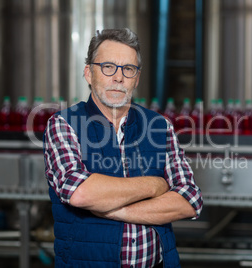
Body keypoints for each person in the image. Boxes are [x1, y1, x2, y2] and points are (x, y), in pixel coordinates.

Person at [43, 28, 203, 268]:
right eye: (108, 66)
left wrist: (115, 211)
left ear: (136, 79)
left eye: (128, 69)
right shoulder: (64, 124)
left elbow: (190, 201)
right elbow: (80, 192)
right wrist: (155, 185)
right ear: (88, 73)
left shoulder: (159, 126)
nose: (118, 77)